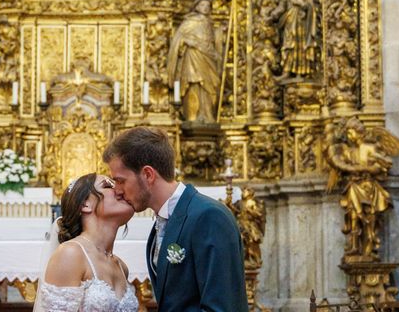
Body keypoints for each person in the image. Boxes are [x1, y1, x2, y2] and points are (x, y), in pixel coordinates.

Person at [103, 126, 248, 311]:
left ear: (148, 175)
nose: (117, 190)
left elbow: (222, 307)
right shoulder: (162, 221)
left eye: (121, 180)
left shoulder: (209, 217)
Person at [34, 173, 139, 311]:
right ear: (85, 204)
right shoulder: (70, 254)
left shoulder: (121, 266)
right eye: (108, 185)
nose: (120, 190)